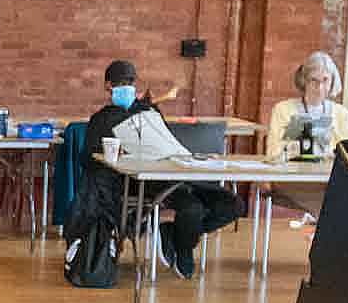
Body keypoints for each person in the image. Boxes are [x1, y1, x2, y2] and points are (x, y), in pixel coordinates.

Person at [85, 60, 239, 279]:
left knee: (233, 205)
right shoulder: (101, 120)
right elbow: (90, 158)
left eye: (130, 82)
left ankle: (175, 235)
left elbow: (165, 143)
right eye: (121, 82)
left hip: (175, 173)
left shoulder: (149, 112)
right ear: (108, 86)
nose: (126, 86)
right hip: (141, 182)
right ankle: (184, 250)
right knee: (192, 209)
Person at [265, 52, 348, 159]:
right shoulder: (283, 109)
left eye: (325, 80)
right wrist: (293, 147)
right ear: (304, 80)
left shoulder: (343, 114)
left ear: (332, 82)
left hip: (327, 173)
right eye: (314, 80)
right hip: (292, 173)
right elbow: (272, 153)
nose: (319, 87)